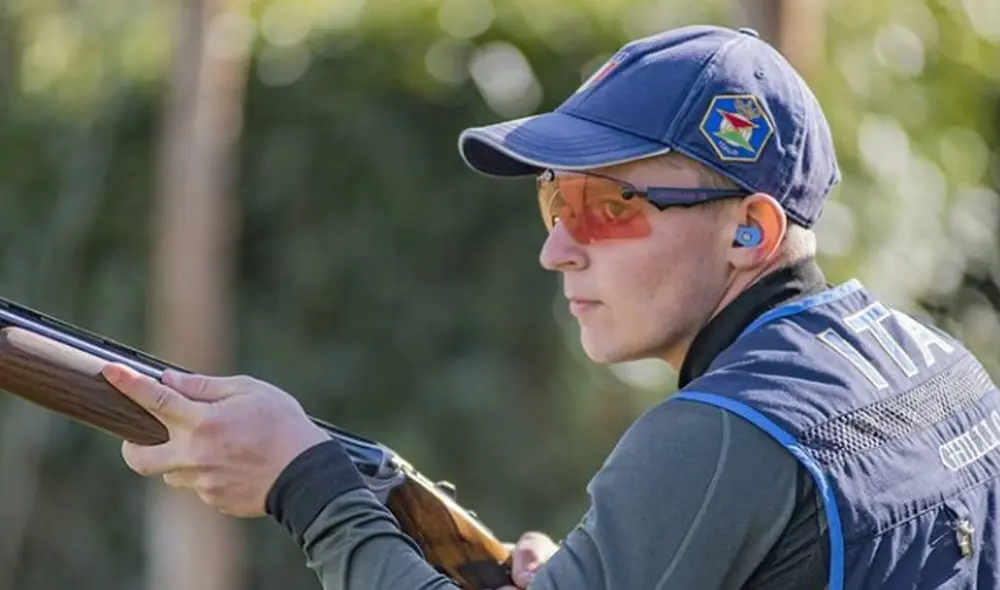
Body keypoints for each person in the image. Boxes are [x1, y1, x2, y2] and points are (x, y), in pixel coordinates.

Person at [103, 24, 1000, 590]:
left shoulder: (723, 431)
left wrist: (308, 487)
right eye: (553, 201)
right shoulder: (943, 368)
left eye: (608, 207)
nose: (556, 246)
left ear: (750, 231)